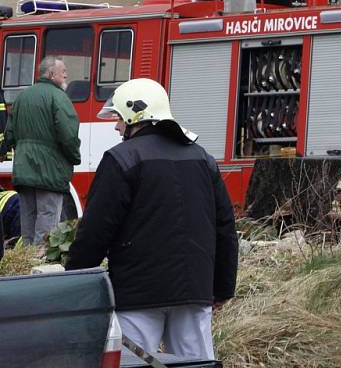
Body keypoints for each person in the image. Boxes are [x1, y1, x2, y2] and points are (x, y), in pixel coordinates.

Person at [66, 78, 238, 360]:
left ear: (135, 116)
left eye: (119, 118)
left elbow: (95, 232)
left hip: (138, 294)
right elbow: (225, 229)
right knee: (196, 365)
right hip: (195, 290)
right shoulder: (203, 158)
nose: (116, 126)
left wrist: (73, 280)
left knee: (134, 363)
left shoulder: (121, 158)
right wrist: (221, 288)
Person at [5, 56, 81, 246]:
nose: (66, 75)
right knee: (47, 227)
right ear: (51, 74)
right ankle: (41, 267)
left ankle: (26, 263)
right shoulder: (59, 98)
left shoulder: (22, 97)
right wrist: (74, 157)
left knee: (27, 224)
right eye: (63, 72)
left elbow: (9, 135)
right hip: (49, 172)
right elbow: (68, 135)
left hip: (23, 171)